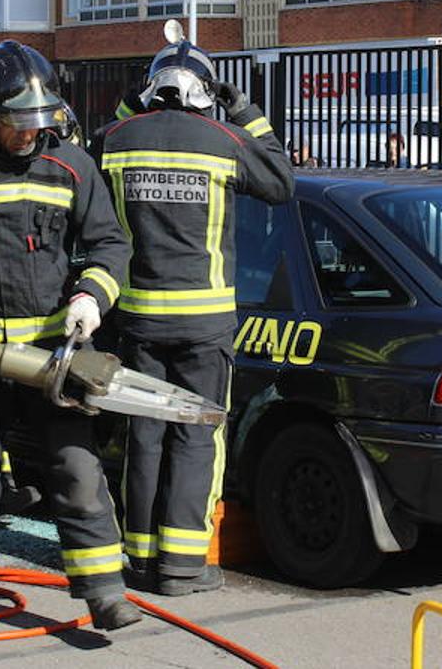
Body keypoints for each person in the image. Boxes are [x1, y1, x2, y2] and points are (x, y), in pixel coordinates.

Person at [0, 41, 139, 636]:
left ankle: (104, 592)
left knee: (76, 469)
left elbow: (111, 244)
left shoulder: (71, 166)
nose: (28, 135)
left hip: (50, 355)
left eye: (39, 122)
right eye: (16, 123)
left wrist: (91, 296)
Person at [93, 41, 293, 596]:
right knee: (197, 436)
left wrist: (131, 109)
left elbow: (85, 164)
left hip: (137, 320)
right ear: (207, 92)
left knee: (145, 434)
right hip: (205, 325)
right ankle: (183, 566)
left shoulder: (114, 140)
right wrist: (246, 111)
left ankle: (139, 558)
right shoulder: (224, 141)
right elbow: (281, 181)